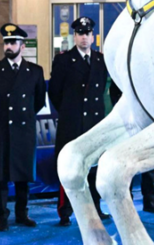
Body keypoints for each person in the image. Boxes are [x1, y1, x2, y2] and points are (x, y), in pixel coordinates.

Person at [0, 24, 47, 231]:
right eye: (6, 42)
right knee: (0, 176)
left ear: (22, 45)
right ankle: (2, 216)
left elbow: (39, 101)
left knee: (22, 176)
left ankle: (21, 214)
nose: (8, 46)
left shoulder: (35, 71)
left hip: (23, 130)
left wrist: (22, 116)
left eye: (13, 42)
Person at [49, 17, 114, 225]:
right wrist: (70, 112)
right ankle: (65, 210)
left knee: (94, 167)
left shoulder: (100, 60)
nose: (84, 37)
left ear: (92, 37)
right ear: (74, 36)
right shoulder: (63, 60)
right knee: (70, 167)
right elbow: (55, 93)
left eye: (87, 34)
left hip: (94, 123)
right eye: (80, 33)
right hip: (72, 123)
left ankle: (95, 208)